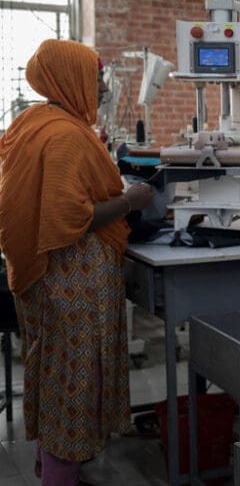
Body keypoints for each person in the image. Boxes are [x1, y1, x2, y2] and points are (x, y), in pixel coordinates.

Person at [0, 39, 153, 485]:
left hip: (48, 277)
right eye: (96, 75)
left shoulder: (33, 122)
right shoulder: (65, 135)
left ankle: (51, 464)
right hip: (71, 280)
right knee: (76, 383)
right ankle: (59, 475)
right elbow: (71, 216)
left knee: (55, 375)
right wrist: (129, 200)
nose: (103, 86)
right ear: (69, 77)